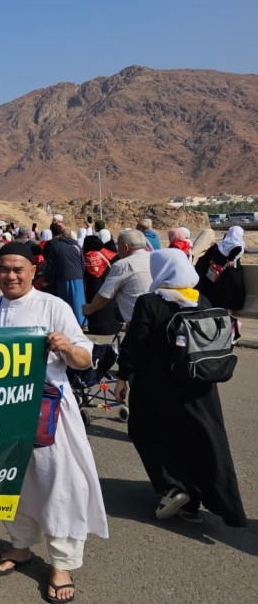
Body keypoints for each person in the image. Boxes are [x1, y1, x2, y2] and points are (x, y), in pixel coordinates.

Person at [0, 242, 108, 604]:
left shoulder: (53, 306)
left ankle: (62, 564)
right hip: (5, 413)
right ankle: (20, 546)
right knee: (15, 482)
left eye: (17, 269)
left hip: (48, 413)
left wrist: (67, 347)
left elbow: (85, 359)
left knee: (59, 484)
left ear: (33, 272)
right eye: (3, 269)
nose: (10, 276)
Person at [113, 249, 246, 527]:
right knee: (198, 439)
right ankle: (198, 503)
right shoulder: (202, 299)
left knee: (146, 431)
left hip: (158, 386)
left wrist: (123, 377)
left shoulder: (150, 302)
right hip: (201, 385)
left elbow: (135, 345)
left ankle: (173, 486)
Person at [81, 229, 152, 325]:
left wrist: (90, 308)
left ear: (125, 247)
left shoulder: (123, 264)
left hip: (139, 321)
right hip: (157, 316)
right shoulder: (155, 257)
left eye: (118, 246)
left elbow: (105, 295)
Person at [195, 225, 246, 311]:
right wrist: (230, 259)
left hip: (220, 272)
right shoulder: (238, 244)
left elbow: (216, 256)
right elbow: (236, 251)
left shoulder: (223, 244)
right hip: (233, 272)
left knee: (222, 291)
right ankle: (232, 308)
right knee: (234, 290)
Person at [42, 229, 87, 326]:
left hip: (64, 276)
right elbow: (82, 262)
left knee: (66, 301)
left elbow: (51, 263)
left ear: (61, 236)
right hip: (78, 276)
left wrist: (48, 276)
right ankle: (82, 322)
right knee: (79, 300)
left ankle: (69, 322)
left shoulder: (57, 246)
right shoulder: (76, 245)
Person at [81, 235, 120, 335]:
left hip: (93, 287)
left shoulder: (87, 257)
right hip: (108, 288)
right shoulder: (109, 254)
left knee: (94, 305)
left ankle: (96, 327)